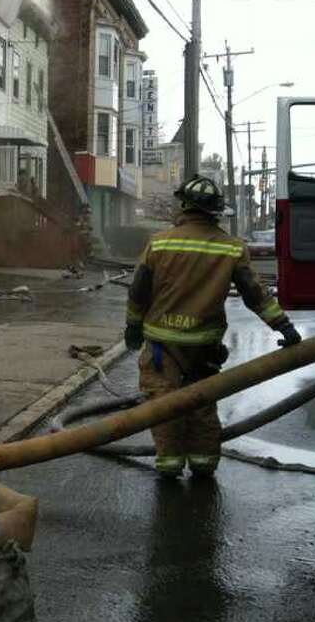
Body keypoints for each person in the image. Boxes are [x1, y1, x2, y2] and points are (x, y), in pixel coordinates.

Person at [125, 174, 300, 478]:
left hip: (161, 345)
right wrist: (283, 326)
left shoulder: (159, 243)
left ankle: (169, 464)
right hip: (203, 345)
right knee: (203, 402)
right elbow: (255, 294)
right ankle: (204, 463)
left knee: (164, 403)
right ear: (216, 211)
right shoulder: (231, 248)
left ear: (184, 206)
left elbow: (138, 290)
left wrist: (133, 326)